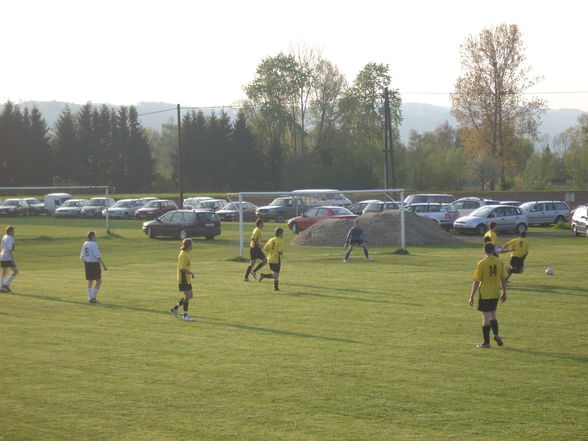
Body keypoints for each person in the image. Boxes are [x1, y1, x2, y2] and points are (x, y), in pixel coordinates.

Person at [469, 242, 508, 348]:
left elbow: (476, 281)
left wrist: (471, 296)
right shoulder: (499, 262)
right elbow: (503, 279)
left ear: (484, 251)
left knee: (486, 318)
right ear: (494, 250)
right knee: (493, 315)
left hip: (485, 293)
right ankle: (495, 334)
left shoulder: (481, 263)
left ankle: (486, 343)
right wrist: (504, 292)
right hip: (495, 293)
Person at [170, 238, 195, 321]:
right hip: (183, 278)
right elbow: (183, 269)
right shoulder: (183, 255)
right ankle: (185, 315)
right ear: (188, 246)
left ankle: (175, 308)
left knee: (190, 295)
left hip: (186, 279)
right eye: (191, 244)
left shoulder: (185, 253)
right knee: (187, 296)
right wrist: (191, 273)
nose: (192, 246)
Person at [80, 231, 108, 303]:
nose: (96, 237)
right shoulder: (94, 244)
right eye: (95, 235)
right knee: (99, 281)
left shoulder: (85, 243)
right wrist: (104, 266)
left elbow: (82, 256)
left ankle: (90, 297)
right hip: (94, 264)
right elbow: (97, 256)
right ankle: (93, 298)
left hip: (87, 264)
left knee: (90, 281)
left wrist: (85, 264)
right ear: (92, 236)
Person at [1, 226, 19, 293]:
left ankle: (5, 284)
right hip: (6, 257)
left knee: (16, 271)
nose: (14, 232)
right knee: (4, 272)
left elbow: (2, 247)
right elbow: (9, 249)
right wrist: (12, 257)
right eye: (13, 231)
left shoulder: (5, 237)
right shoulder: (9, 238)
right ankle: (0, 287)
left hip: (6, 256)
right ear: (10, 231)